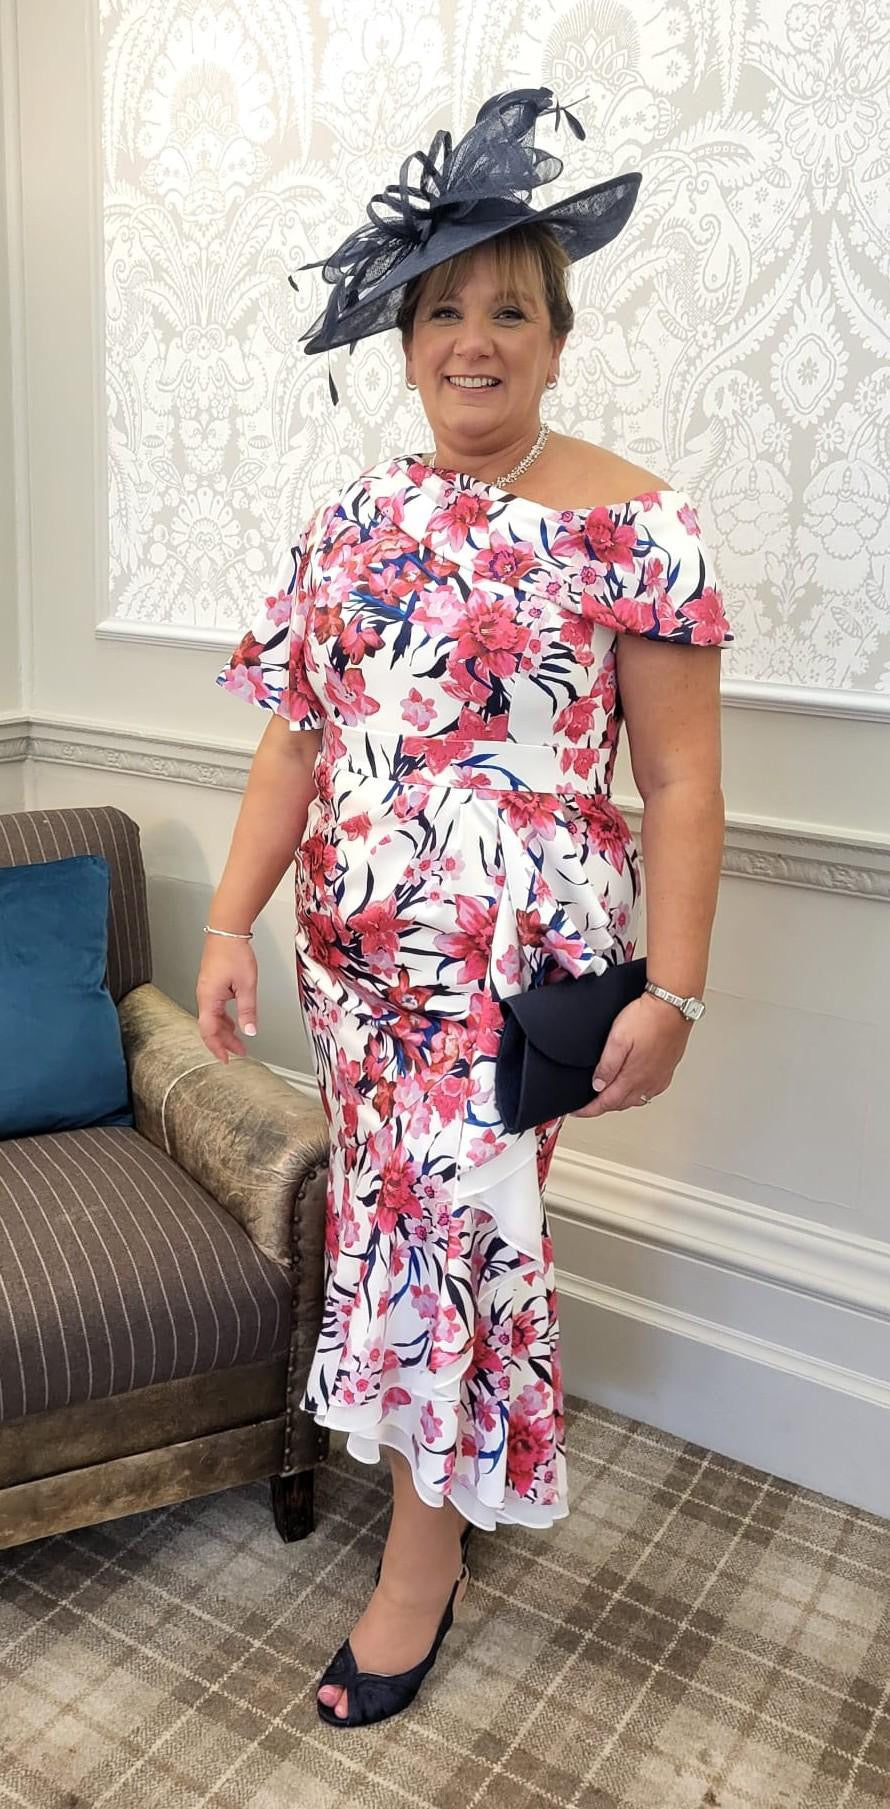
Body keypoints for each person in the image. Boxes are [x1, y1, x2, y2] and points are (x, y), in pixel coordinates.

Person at [198, 87, 733, 1730]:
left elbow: (682, 784)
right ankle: (446, 1477)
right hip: (353, 969)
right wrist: (223, 922)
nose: (473, 341)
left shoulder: (633, 525)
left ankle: (415, 1567)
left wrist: (675, 992)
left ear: (557, 340)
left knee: (451, 1235)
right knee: (405, 1232)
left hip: (510, 981)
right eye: (442, 312)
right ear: (406, 343)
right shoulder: (353, 522)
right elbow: (296, 740)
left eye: (509, 310)